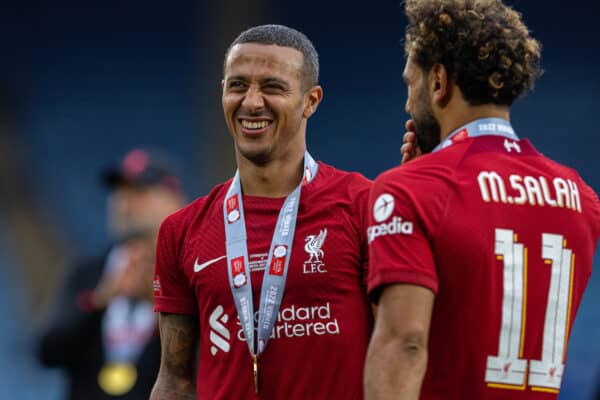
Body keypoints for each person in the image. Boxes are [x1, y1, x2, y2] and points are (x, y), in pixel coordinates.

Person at [364, 1, 600, 399]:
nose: (408, 103)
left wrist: (416, 182)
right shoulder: (581, 197)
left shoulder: (410, 190)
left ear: (438, 81)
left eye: (410, 83)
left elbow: (403, 342)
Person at [151, 24, 372, 400]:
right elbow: (175, 380)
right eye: (238, 85)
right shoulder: (182, 230)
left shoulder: (363, 205)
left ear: (311, 100)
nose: (252, 102)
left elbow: (401, 344)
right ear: (222, 92)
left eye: (273, 87)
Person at [38, 148, 186, 400]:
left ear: (175, 201)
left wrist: (160, 303)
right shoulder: (88, 273)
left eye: (140, 191)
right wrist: (98, 302)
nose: (125, 201)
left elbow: (209, 357)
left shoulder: (192, 274)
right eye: (119, 191)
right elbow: (48, 353)